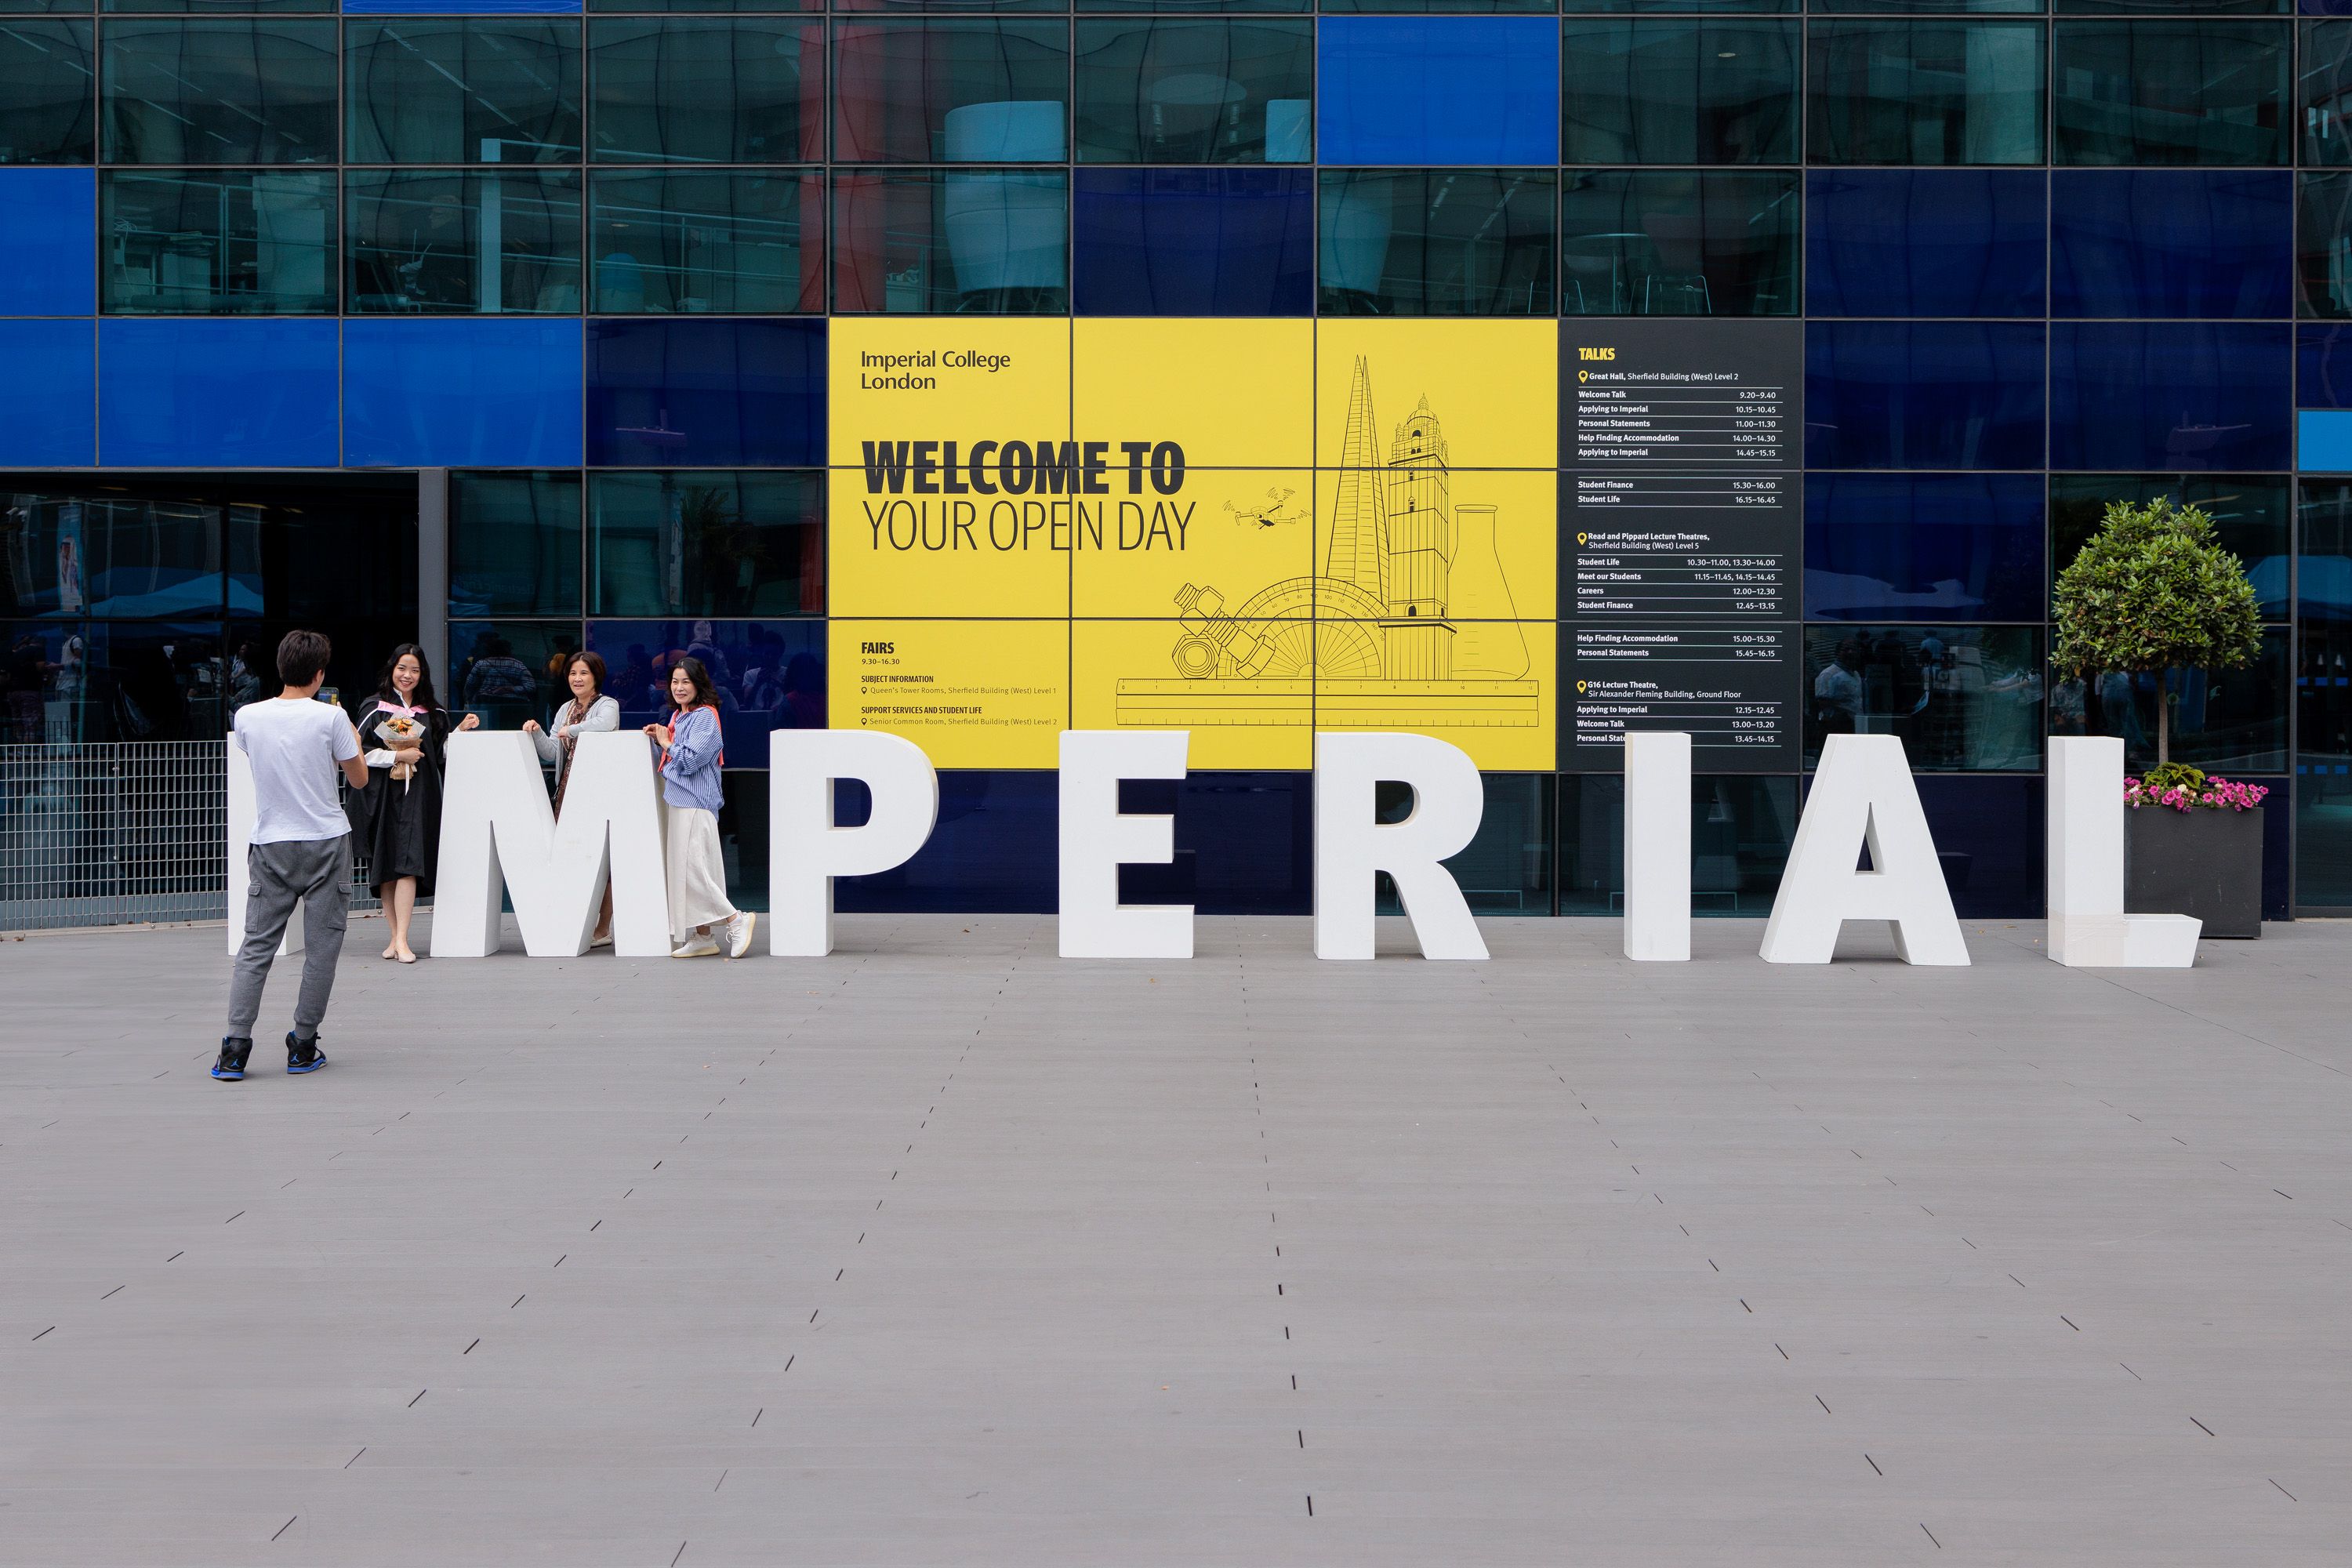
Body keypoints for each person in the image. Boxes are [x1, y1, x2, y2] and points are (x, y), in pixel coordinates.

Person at [218, 629, 368, 1082]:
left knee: (257, 947)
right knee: (322, 949)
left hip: (271, 843)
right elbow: (358, 780)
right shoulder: (330, 718)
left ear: (280, 668)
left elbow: (255, 755)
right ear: (320, 674)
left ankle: (235, 1048)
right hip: (325, 840)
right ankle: (303, 1045)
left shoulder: (247, 716)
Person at [349, 644, 480, 964]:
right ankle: (395, 937)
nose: (408, 676)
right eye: (402, 668)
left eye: (415, 670)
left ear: (423, 675)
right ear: (391, 670)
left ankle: (404, 939)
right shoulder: (375, 708)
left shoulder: (432, 712)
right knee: (388, 869)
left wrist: (459, 732)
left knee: (408, 864)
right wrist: (397, 755)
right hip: (383, 797)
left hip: (417, 797)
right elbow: (359, 753)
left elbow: (439, 753)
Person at [644, 656, 754, 960]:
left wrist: (666, 743)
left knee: (694, 872)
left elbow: (691, 761)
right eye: (675, 682)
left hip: (695, 803)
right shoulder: (680, 717)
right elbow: (677, 760)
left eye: (686, 682)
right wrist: (661, 739)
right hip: (680, 802)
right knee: (689, 871)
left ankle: (736, 919)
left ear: (698, 684)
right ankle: (703, 936)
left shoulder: (705, 716)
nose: (679, 688)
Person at [524, 649, 622, 947]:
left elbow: (603, 725)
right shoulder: (565, 708)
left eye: (583, 673)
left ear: (596, 677)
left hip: (598, 793)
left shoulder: (608, 705)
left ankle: (603, 928)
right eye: (572, 673)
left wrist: (572, 729)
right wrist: (538, 732)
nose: (577, 679)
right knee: (570, 856)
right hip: (566, 793)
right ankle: (573, 922)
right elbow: (553, 750)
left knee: (602, 861)